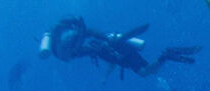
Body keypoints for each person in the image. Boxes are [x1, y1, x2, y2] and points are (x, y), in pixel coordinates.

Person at [39, 17, 200, 78]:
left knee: (146, 72)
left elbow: (103, 48)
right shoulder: (81, 46)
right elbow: (106, 56)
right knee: (148, 72)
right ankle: (167, 55)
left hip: (122, 51)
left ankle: (167, 54)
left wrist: (112, 44)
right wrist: (107, 75)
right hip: (121, 51)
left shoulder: (76, 46)